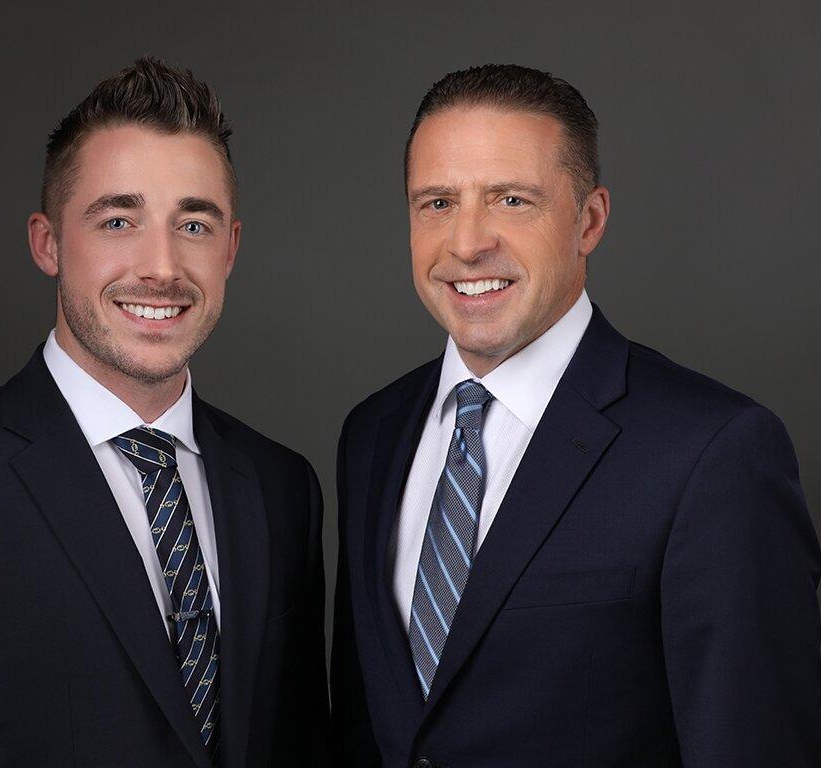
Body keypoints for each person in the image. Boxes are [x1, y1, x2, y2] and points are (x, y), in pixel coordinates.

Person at [0, 56, 329, 767]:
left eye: (194, 225)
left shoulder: (281, 488)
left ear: (230, 250)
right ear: (48, 243)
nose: (161, 268)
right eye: (119, 220)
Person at [330, 63, 821, 767]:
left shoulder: (714, 453)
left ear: (589, 221)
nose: (467, 243)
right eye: (437, 202)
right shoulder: (373, 434)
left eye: (511, 200)